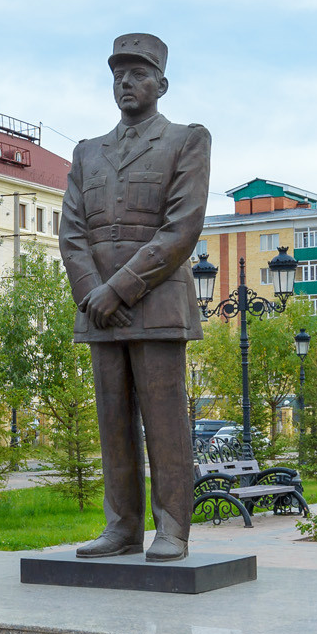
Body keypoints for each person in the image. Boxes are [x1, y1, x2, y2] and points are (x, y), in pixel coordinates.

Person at [57, 33, 211, 562]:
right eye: (118, 74)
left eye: (138, 73)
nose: (126, 82)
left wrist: (117, 288)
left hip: (157, 306)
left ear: (161, 84)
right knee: (113, 422)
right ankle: (121, 526)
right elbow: (72, 232)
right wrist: (92, 294)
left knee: (166, 423)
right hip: (99, 311)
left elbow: (181, 228)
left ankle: (172, 529)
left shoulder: (186, 140)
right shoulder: (86, 152)